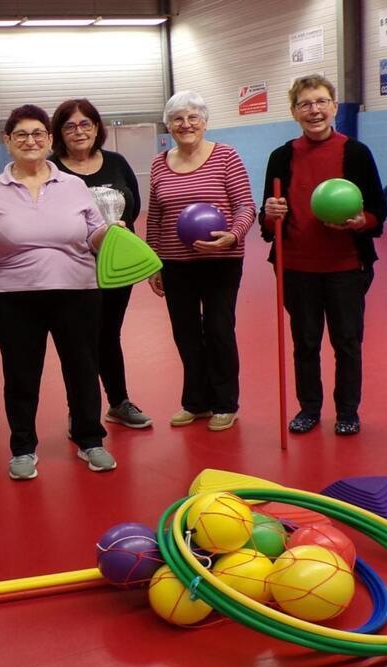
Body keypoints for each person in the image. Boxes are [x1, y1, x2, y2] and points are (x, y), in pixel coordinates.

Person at [0, 104, 117, 480]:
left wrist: (111, 229)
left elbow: (93, 238)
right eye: (22, 134)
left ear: (49, 139)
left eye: (39, 133)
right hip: (12, 297)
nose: (31, 141)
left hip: (77, 291)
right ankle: (23, 447)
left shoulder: (74, 185)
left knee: (83, 369)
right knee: (21, 375)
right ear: (8, 141)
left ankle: (90, 439)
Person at [259, 75, 387, 436]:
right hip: (297, 267)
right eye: (305, 103)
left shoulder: (356, 153)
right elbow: (267, 222)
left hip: (346, 267)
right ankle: (309, 408)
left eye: (321, 102)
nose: (314, 110)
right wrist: (271, 211)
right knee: (306, 342)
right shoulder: (282, 156)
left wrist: (362, 221)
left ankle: (348, 410)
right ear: (294, 111)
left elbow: (378, 211)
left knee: (347, 342)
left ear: (334, 106)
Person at [145, 91, 256, 431]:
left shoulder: (226, 157)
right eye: (178, 118)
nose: (186, 124)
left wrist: (233, 236)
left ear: (205, 122)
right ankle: (196, 402)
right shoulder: (159, 163)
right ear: (168, 126)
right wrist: (152, 262)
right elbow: (156, 216)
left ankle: (225, 403)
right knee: (186, 332)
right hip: (175, 263)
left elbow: (245, 206)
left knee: (219, 329)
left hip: (221, 259)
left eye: (193, 117)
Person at [51, 98, 152, 430]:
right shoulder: (52, 169)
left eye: (85, 124)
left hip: (117, 267)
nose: (79, 131)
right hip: (73, 269)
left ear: (97, 128)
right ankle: (79, 409)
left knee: (109, 334)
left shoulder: (117, 162)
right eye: (70, 126)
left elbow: (132, 207)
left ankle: (118, 401)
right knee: (79, 341)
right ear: (59, 133)